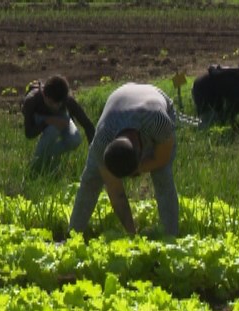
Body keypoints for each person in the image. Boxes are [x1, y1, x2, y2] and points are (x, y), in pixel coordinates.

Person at [68, 82, 178, 237]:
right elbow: (116, 194)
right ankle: (72, 235)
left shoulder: (158, 122)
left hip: (152, 99)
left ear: (141, 152)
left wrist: (140, 168)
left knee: (163, 177)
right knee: (90, 179)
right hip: (121, 100)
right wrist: (132, 234)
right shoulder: (102, 141)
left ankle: (171, 236)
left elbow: (162, 158)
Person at [22, 74, 95, 176]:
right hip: (41, 119)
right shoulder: (31, 100)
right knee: (53, 130)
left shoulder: (67, 100)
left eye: (59, 104)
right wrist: (48, 121)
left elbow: (88, 125)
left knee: (75, 139)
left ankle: (46, 156)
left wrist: (95, 156)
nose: (55, 107)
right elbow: (29, 134)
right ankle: (36, 166)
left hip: (61, 119)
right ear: (44, 94)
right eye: (51, 103)